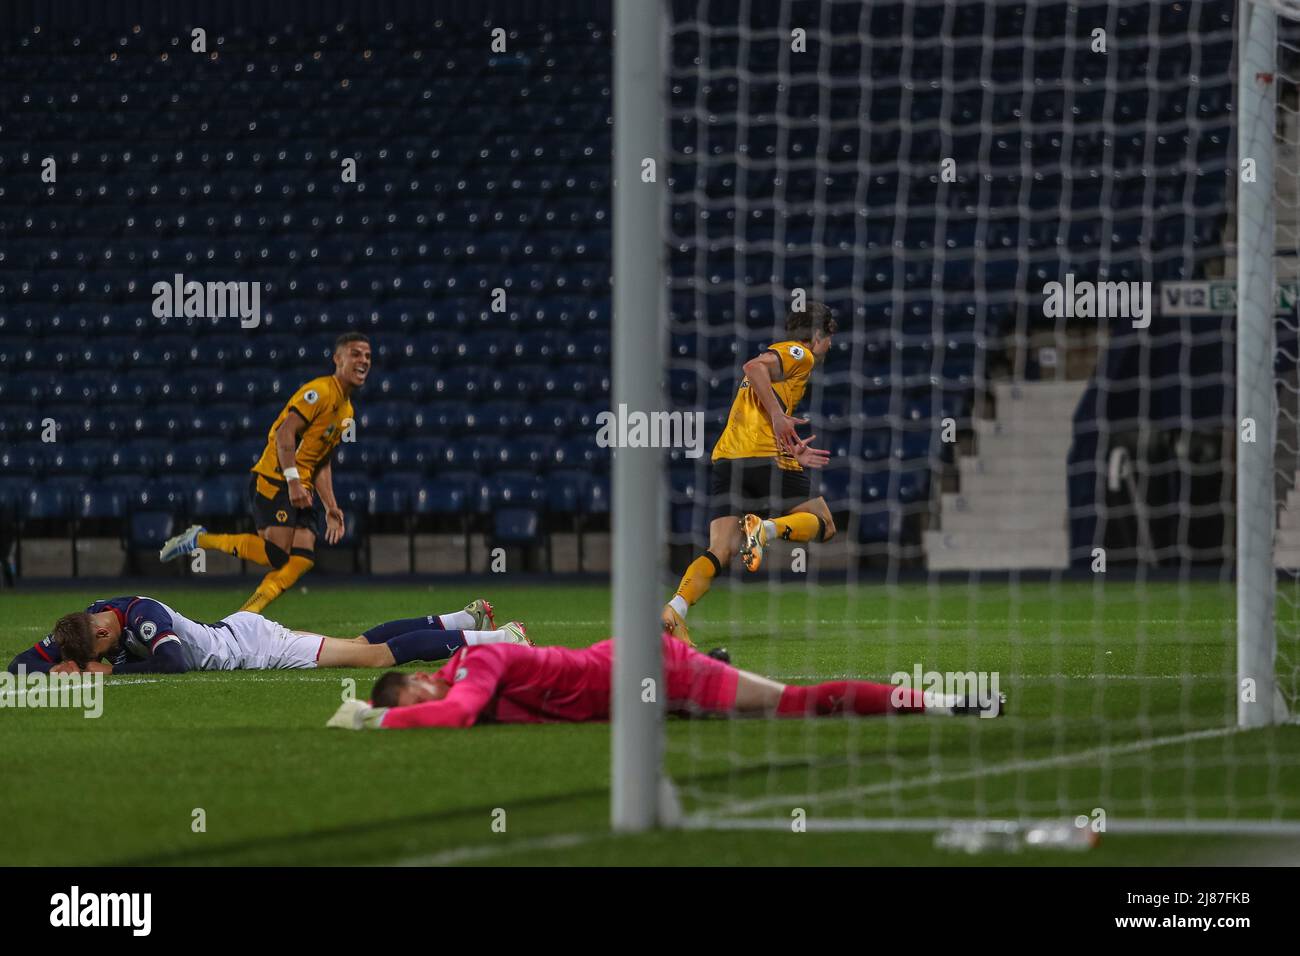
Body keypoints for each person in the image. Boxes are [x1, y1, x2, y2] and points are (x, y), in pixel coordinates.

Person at [326, 632, 1003, 730]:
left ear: (416, 687)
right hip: (623, 666)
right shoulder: (469, 672)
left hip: (654, 669)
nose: (429, 699)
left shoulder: (474, 670)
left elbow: (461, 713)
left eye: (417, 697)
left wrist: (371, 717)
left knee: (795, 705)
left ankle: (944, 700)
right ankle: (710, 659)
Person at [662, 301, 838, 645]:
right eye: (830, 337)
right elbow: (754, 366)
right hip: (764, 456)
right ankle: (765, 529)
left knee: (721, 549)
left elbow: (762, 393)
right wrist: (776, 417)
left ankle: (674, 609)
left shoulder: (791, 366)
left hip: (730, 457)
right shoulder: (800, 353)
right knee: (826, 525)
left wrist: (791, 443)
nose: (830, 345)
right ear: (817, 335)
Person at [159, 332, 370, 613]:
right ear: (337, 358)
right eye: (356, 354)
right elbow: (285, 433)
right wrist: (293, 483)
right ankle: (199, 539)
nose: (363, 361)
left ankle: (249, 612)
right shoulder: (319, 392)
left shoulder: (347, 411)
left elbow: (322, 461)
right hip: (276, 479)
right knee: (277, 555)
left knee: (303, 557)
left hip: (301, 486)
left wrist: (331, 505)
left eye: (368, 356)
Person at [8, 595, 528, 675]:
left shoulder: (143, 614)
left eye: (101, 647)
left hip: (256, 646)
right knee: (362, 642)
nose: (103, 650)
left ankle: (501, 639)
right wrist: (35, 670)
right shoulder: (86, 625)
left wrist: (114, 672)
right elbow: (27, 661)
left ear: (106, 630)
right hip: (241, 629)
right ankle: (464, 621)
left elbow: (175, 665)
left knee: (374, 659)